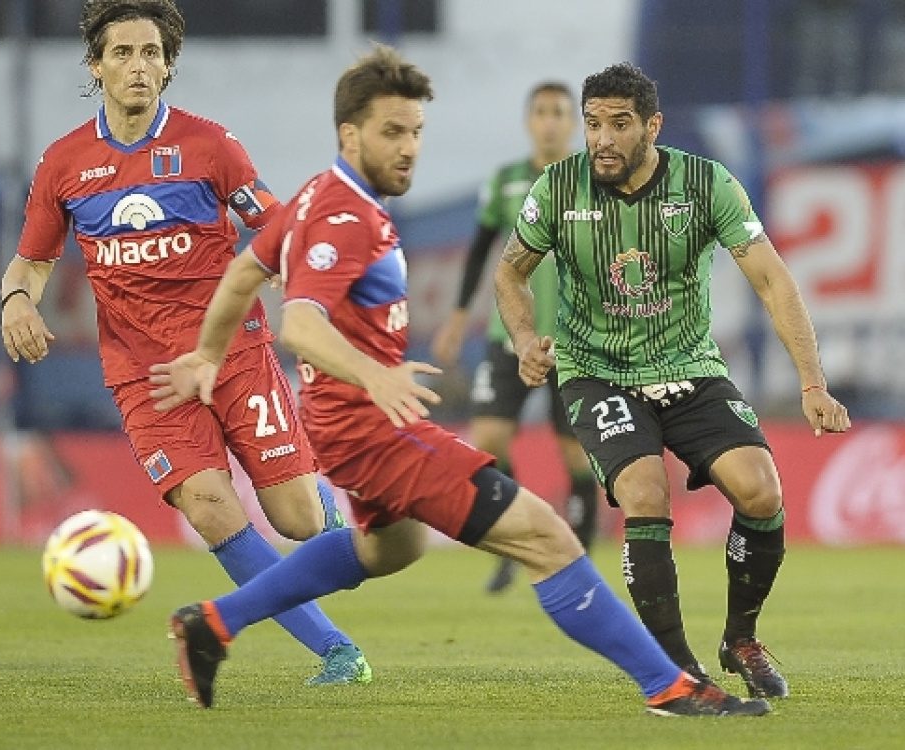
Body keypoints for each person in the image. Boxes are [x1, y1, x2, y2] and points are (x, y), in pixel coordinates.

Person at [150, 44, 768, 718]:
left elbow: (245, 273)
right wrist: (374, 376)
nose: (409, 147)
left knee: (388, 548)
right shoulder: (343, 215)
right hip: (371, 427)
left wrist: (209, 354)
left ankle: (211, 622)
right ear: (349, 134)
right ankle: (671, 687)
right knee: (548, 538)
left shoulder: (317, 196)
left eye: (415, 130)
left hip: (345, 425)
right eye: (392, 132)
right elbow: (299, 321)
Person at [0, 0, 369, 685]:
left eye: (150, 53)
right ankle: (338, 652)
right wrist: (16, 297)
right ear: (97, 66)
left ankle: (342, 506)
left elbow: (277, 229)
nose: (137, 66)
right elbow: (33, 260)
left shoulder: (210, 147)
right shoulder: (65, 164)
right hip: (143, 373)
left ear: (168, 66)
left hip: (233, 352)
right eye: (122, 53)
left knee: (296, 521)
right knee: (208, 505)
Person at [494, 61, 852, 699]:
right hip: (597, 372)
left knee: (761, 491)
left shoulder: (707, 184)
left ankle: (740, 638)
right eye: (593, 124)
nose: (602, 139)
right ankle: (676, 669)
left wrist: (812, 382)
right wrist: (524, 338)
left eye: (620, 125)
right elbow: (510, 273)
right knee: (645, 490)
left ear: (652, 126)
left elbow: (772, 280)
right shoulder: (557, 188)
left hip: (688, 367)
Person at [431, 81, 598, 594]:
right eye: (541, 112)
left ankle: (580, 561)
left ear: (572, 123)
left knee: (576, 457)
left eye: (559, 113)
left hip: (574, 342)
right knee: (489, 440)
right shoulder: (505, 182)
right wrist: (459, 318)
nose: (550, 121)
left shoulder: (592, 180)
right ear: (529, 121)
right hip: (511, 338)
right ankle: (510, 547)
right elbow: (482, 253)